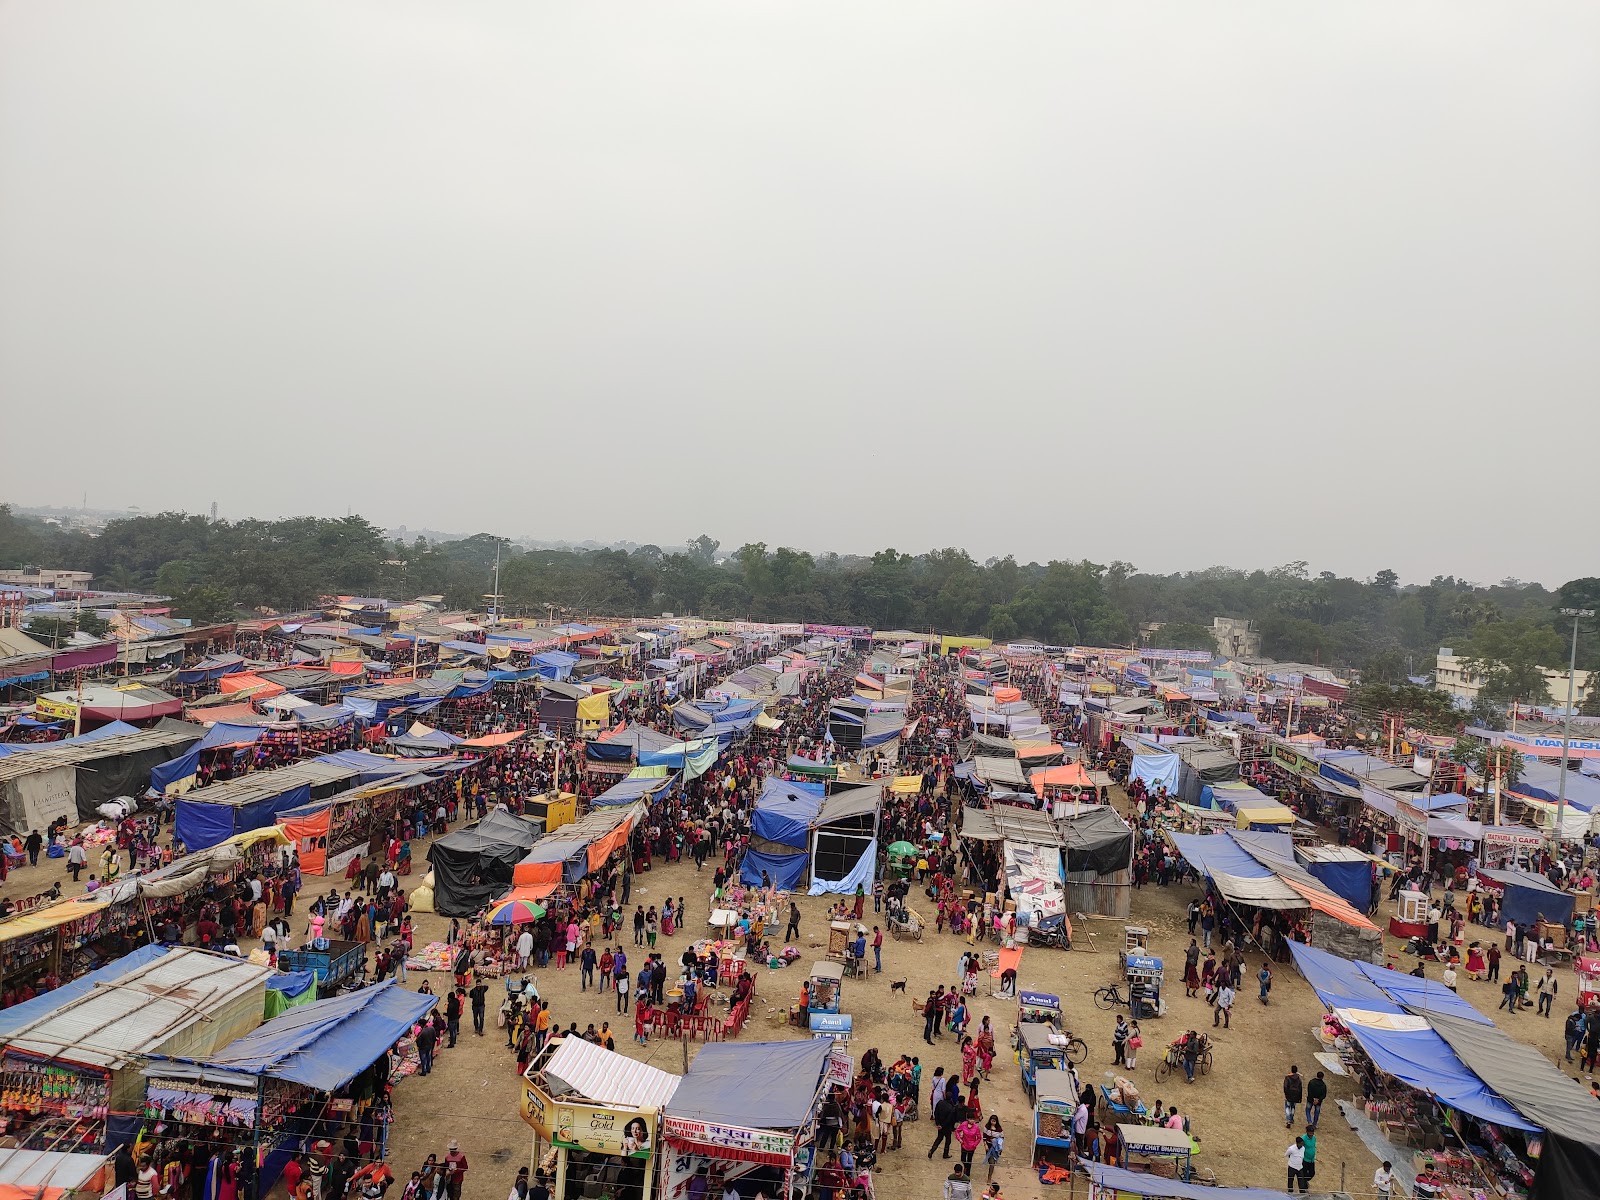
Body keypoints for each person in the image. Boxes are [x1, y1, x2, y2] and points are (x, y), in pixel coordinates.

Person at [981, 1116, 1003, 1181]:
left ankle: (989, 1177)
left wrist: (996, 1142)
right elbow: (984, 1137)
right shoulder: (987, 1127)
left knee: (992, 1163)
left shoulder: (999, 1129)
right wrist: (985, 1145)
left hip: (995, 1148)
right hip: (988, 1146)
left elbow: (1002, 1138)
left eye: (994, 1121)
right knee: (989, 1159)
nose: (993, 1122)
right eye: (992, 1121)